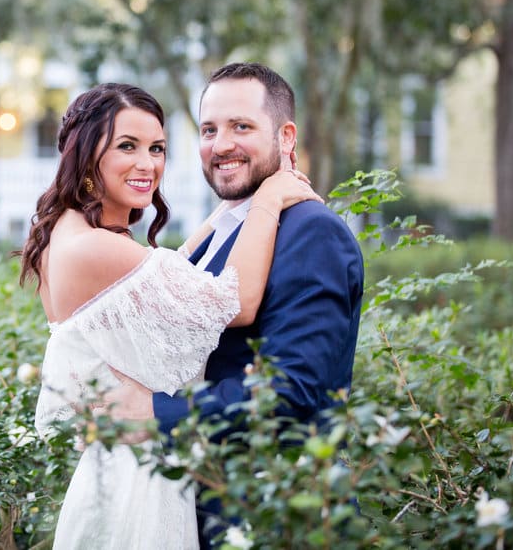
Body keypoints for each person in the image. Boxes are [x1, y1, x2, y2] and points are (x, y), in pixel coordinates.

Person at [20, 82, 321, 549]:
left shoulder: (67, 231)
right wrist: (266, 201)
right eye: (127, 146)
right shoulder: (98, 248)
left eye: (157, 148)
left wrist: (229, 212)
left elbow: (162, 279)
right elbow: (234, 303)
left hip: (114, 474)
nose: (148, 164)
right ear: (84, 155)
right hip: (139, 487)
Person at [104, 63, 365, 546]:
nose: (221, 144)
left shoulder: (312, 232)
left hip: (281, 515)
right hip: (209, 507)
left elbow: (291, 391)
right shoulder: (229, 227)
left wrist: (156, 413)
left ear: (286, 137)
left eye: (241, 126)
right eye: (209, 129)